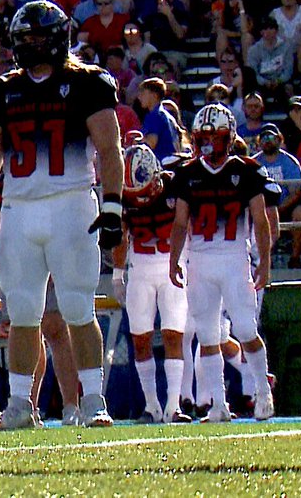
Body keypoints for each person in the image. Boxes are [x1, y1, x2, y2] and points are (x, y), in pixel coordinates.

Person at [0, 0, 123, 430]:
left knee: (77, 307)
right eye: (24, 38)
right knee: (24, 313)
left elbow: (109, 149)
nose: (31, 45)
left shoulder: (88, 83)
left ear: (57, 38)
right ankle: (18, 405)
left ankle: (93, 402)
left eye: (37, 37)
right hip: (19, 209)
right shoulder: (6, 88)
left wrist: (113, 204)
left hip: (70, 203)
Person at [168, 104, 276, 422]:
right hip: (199, 261)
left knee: (244, 328)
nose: (209, 142)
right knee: (207, 334)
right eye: (204, 136)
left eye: (215, 136)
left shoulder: (246, 170)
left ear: (228, 137)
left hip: (233, 259)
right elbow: (179, 222)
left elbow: (260, 218)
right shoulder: (188, 174)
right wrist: (175, 260)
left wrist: (265, 259)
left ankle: (263, 393)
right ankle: (218, 404)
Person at [112, 144, 192, 424]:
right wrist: (117, 274)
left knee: (173, 335)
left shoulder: (175, 185)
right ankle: (151, 406)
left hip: (173, 264)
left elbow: (187, 226)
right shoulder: (124, 196)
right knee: (141, 339)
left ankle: (173, 406)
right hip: (141, 268)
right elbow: (121, 237)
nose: (142, 200)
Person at [253, 123, 301, 268]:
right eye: (263, 138)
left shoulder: (289, 162)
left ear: (279, 139)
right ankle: (261, 261)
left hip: (286, 208)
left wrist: (279, 208)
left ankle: (294, 259)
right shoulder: (253, 163)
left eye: (271, 137)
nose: (267, 140)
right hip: (261, 209)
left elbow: (297, 192)